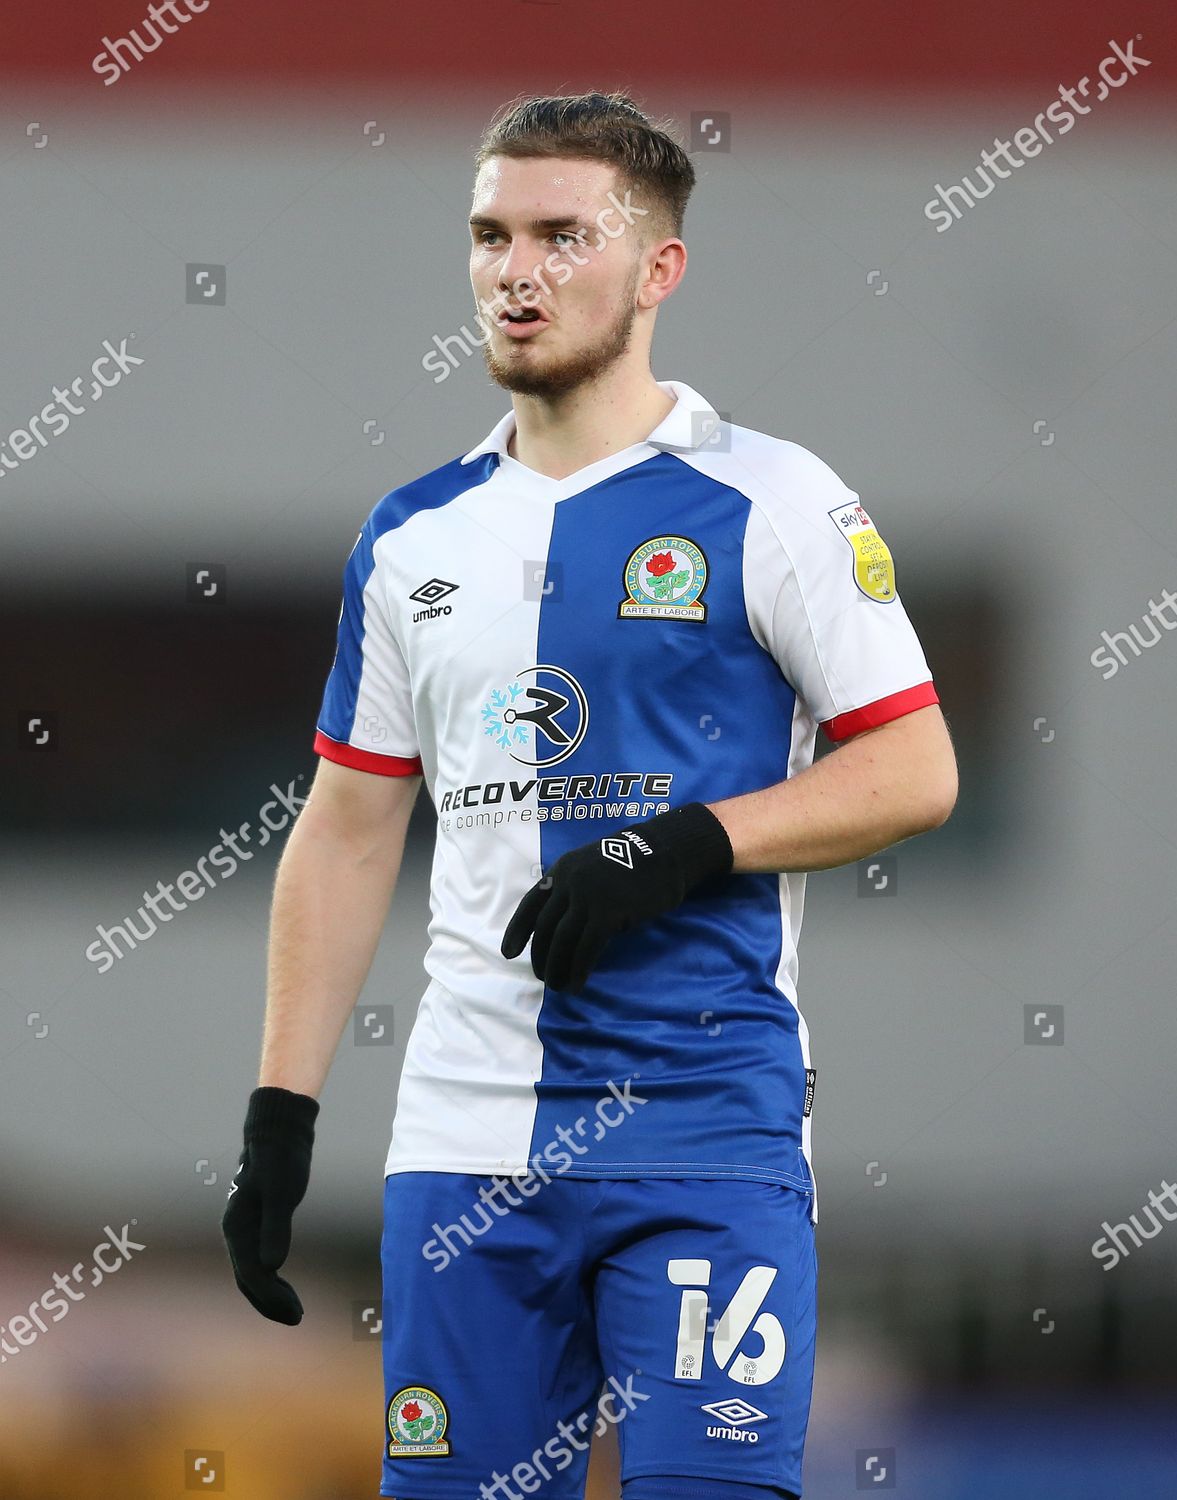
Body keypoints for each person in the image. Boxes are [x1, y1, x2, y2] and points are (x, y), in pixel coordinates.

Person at [222, 90, 958, 1500]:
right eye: (492, 235)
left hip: (703, 1126)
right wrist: (279, 1116)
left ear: (658, 269)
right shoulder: (410, 534)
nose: (517, 270)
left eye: (564, 236)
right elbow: (350, 825)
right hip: (462, 1145)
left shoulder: (776, 502)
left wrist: (690, 842)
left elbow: (913, 770)